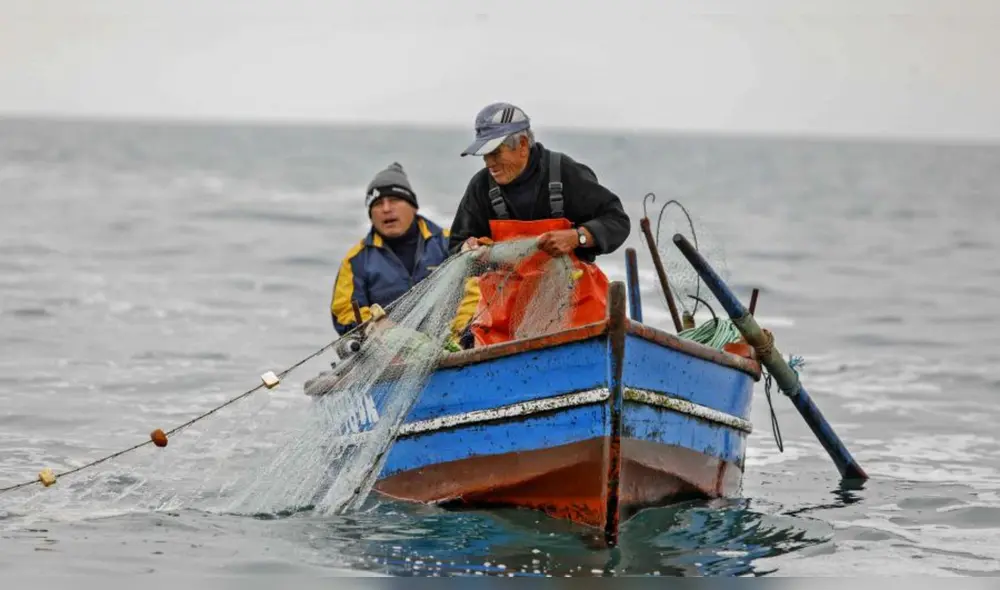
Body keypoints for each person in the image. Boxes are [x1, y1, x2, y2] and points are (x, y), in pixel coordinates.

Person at [448, 102, 631, 347]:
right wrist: (467, 250)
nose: (489, 163)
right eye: (484, 155)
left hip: (577, 317)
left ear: (522, 145)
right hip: (504, 325)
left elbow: (617, 220)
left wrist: (578, 237)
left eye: (496, 152)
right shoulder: (481, 187)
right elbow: (456, 247)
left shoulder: (564, 172)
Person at [330, 162, 451, 335]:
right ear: (371, 215)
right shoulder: (356, 259)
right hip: (385, 350)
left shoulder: (449, 243)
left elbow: (474, 291)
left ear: (413, 206)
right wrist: (374, 325)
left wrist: (459, 333)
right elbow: (344, 311)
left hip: (451, 341)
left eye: (394, 200)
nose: (386, 209)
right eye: (378, 204)